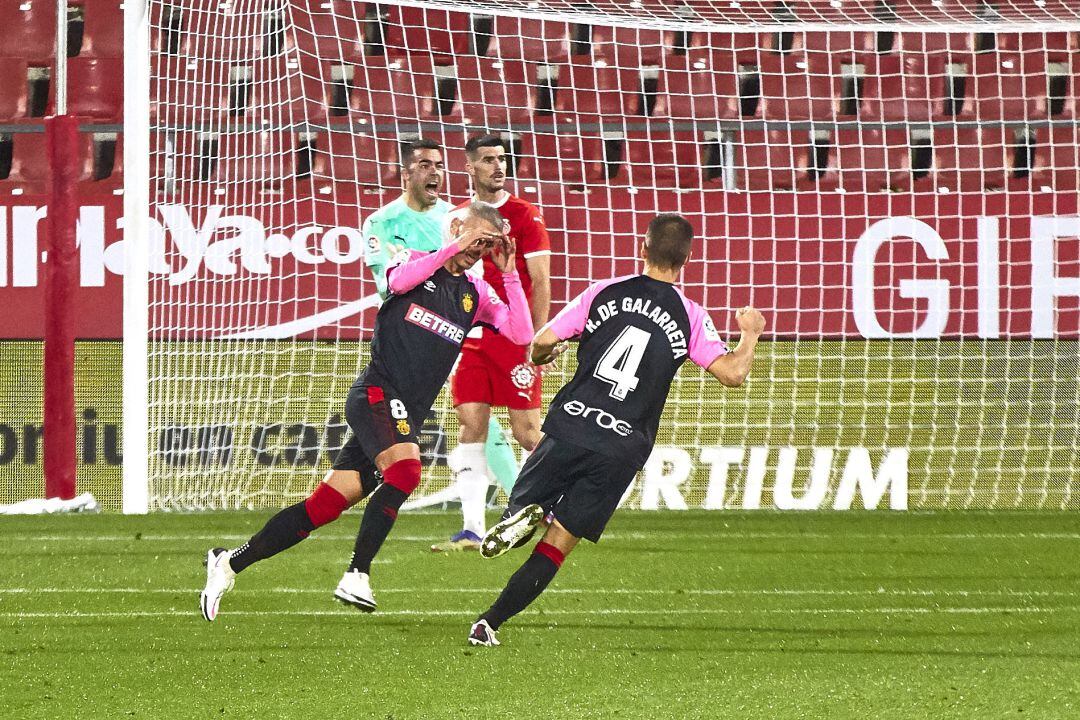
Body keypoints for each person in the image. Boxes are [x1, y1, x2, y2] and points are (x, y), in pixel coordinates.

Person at [199, 202, 533, 621]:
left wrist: (508, 271)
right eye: (475, 238)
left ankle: (228, 562)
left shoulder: (476, 294)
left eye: (487, 245)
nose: (477, 249)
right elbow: (399, 280)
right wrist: (454, 247)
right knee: (407, 471)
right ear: (456, 227)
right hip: (375, 392)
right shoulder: (414, 261)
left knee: (324, 506)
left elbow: (521, 333)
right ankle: (357, 573)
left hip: (405, 411)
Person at [466, 214, 766, 646]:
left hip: (571, 423)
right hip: (622, 446)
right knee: (559, 542)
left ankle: (520, 516)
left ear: (642, 247)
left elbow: (540, 342)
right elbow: (733, 374)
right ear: (688, 258)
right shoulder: (690, 314)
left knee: (526, 504)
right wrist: (750, 333)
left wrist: (549, 354)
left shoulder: (603, 291)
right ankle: (489, 622)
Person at [363, 138, 523, 514]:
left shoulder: (456, 219)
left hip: (453, 327)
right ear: (406, 173)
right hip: (405, 332)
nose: (434, 172)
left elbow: (473, 284)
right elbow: (389, 285)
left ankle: (517, 500)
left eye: (438, 165)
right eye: (424, 165)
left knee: (477, 415)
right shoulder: (381, 222)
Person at [432, 134, 552, 552]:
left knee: (527, 432)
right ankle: (471, 527)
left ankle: (557, 502)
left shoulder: (524, 215)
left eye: (502, 159)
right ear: (470, 167)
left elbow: (540, 280)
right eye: (488, 160)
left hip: (512, 337)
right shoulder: (456, 217)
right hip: (471, 338)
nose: (498, 167)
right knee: (470, 424)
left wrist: (539, 340)